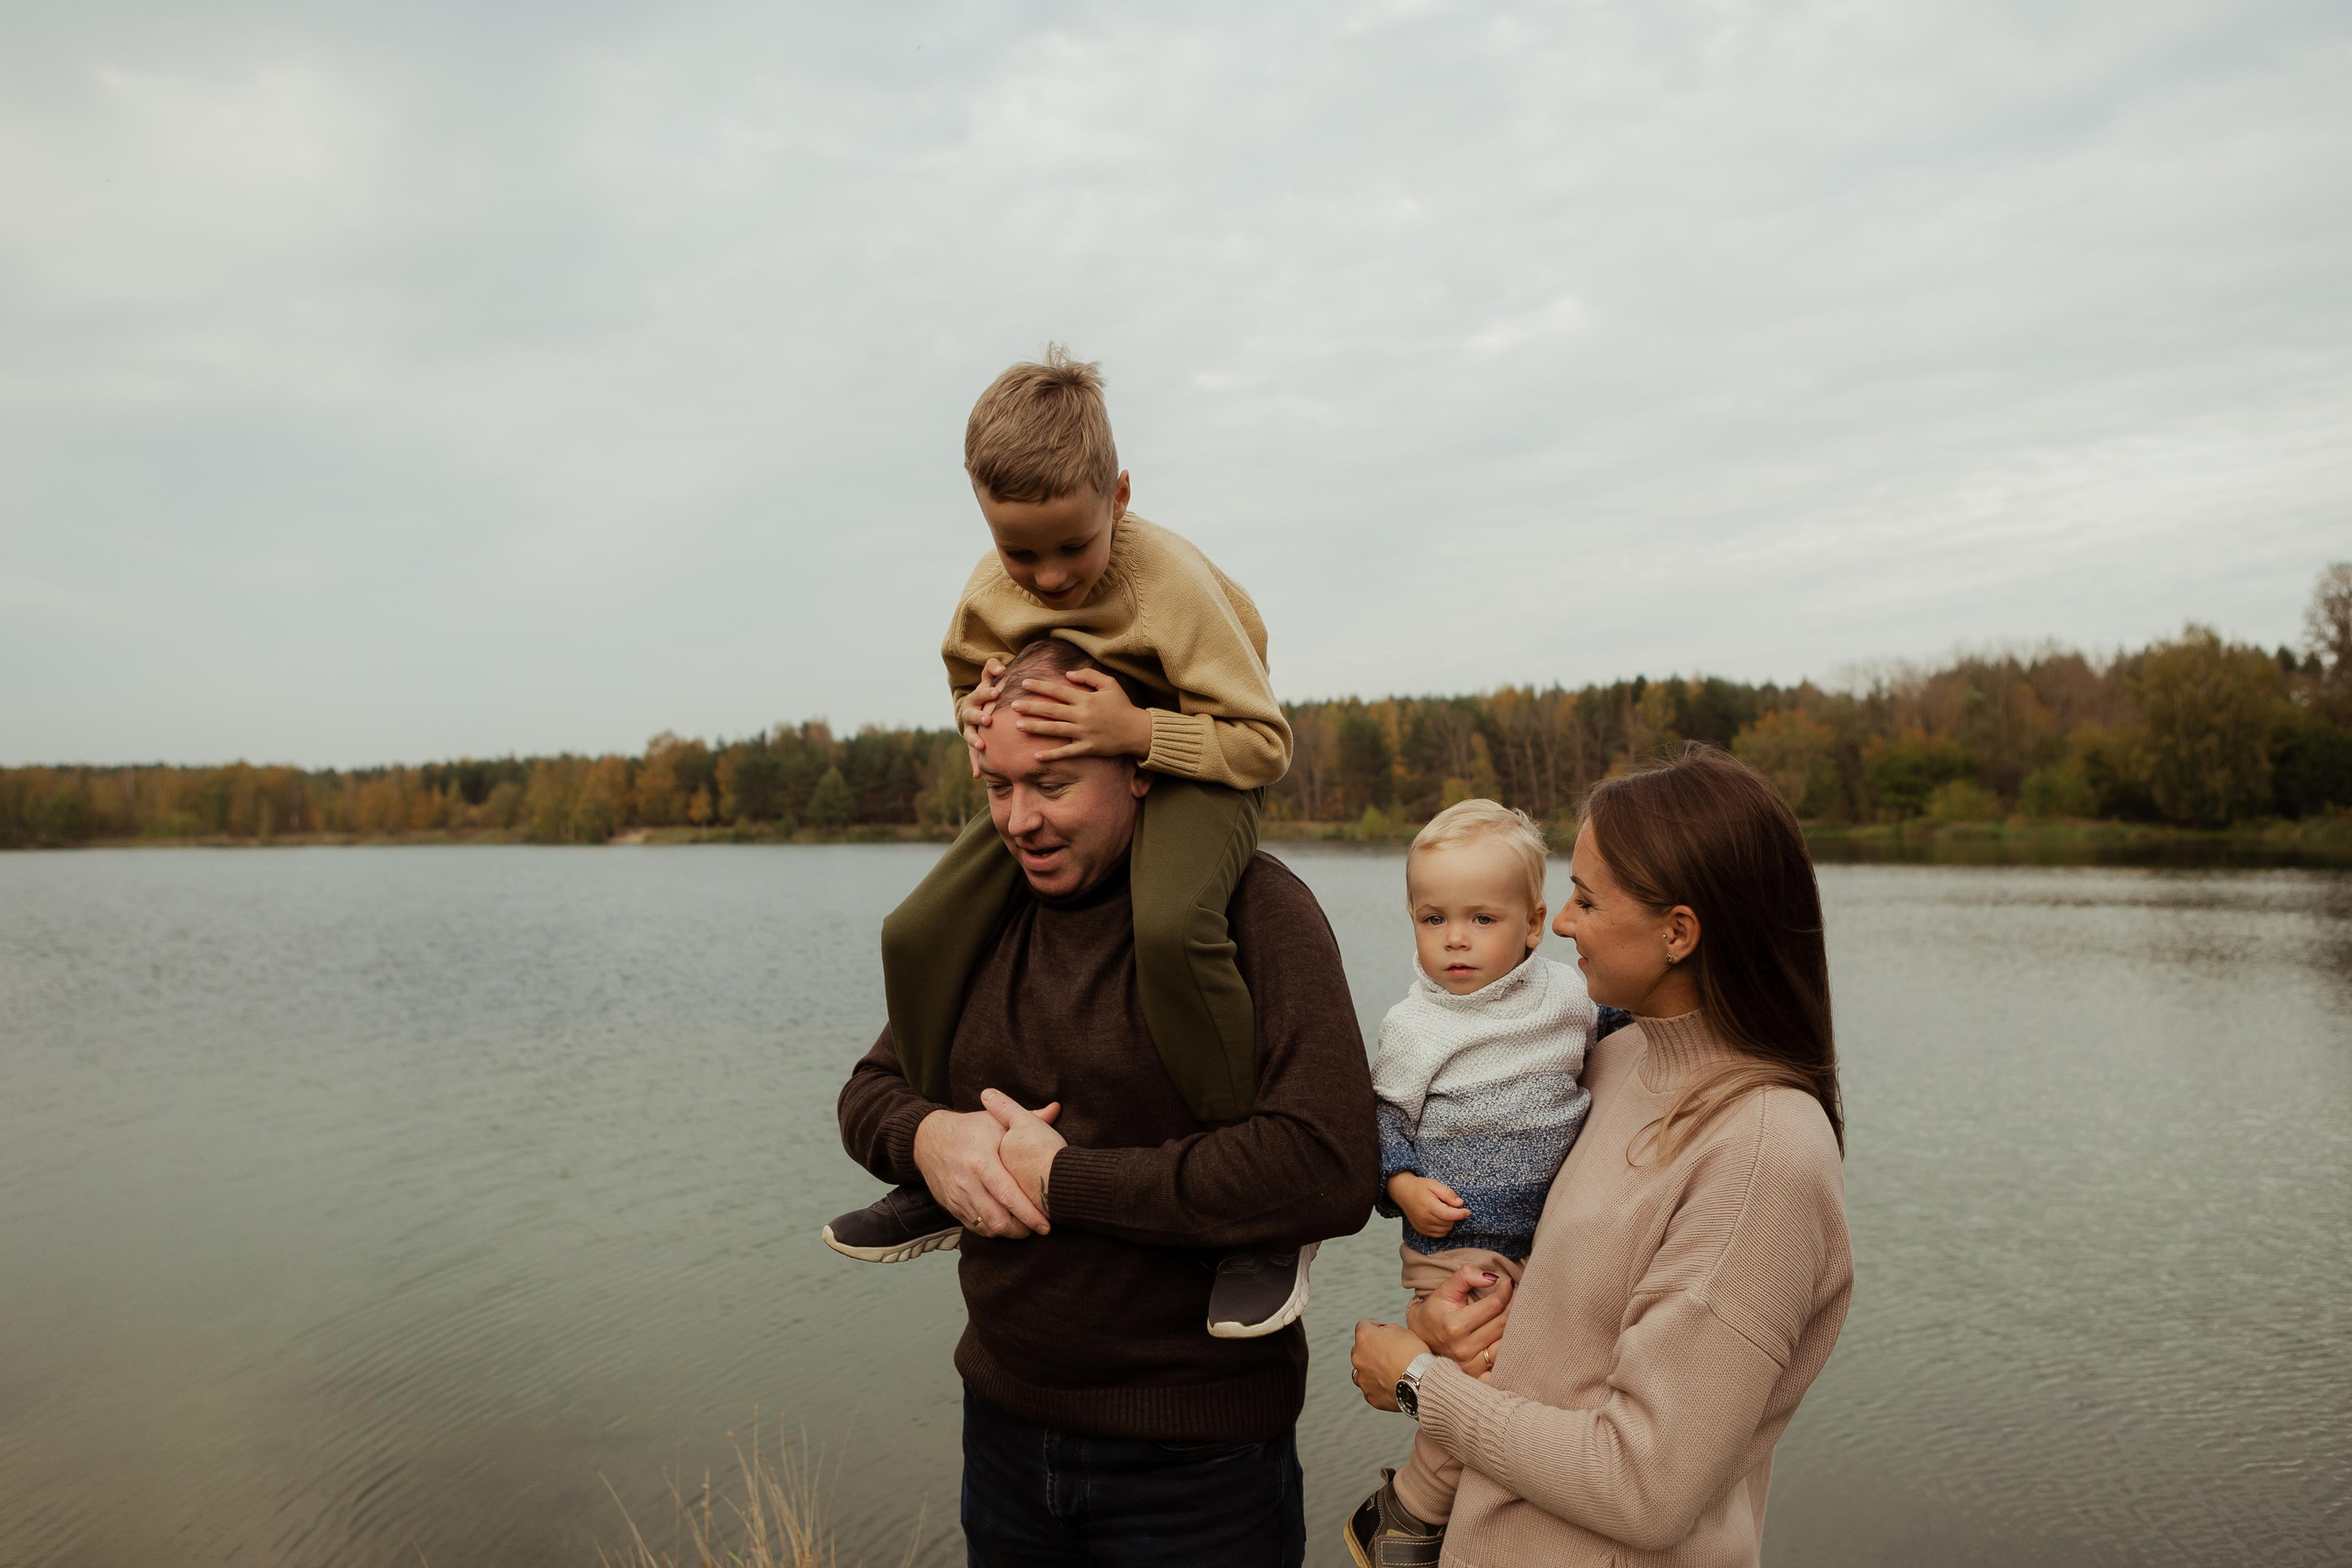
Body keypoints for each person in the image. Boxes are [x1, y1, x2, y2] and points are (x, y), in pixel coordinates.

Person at [836, 636, 1379, 1568]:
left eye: (1051, 784)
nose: (1019, 821)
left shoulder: (1254, 912)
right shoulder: (983, 922)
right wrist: (930, 1139)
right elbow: (871, 1090)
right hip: (1003, 1436)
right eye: (998, 787)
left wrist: (1066, 1181)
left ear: (1138, 767)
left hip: (1198, 1468)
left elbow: (1326, 1167)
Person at [823, 346, 1313, 1336]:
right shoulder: (986, 589)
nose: (1046, 578)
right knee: (915, 931)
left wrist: (1138, 732)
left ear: (1119, 496)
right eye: (1020, 554)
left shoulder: (1168, 583)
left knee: (1171, 925)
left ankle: (1259, 1224)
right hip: (1071, 773)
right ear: (982, 517)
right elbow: (972, 678)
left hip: (1194, 762)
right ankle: (938, 1164)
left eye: (1072, 550)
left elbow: (1264, 744)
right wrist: (978, 723)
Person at [1347, 744, 1852, 1568]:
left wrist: (1419, 1387)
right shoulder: (1613, 1061)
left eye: (1583, 897)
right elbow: (1557, 1319)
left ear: (1678, 931)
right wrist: (1445, 1330)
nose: (1564, 923)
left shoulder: (1765, 1156)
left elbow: (1644, 1486)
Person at [1359, 798, 1630, 1562]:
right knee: (1487, 1373)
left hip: (1545, 1236)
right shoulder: (1415, 1026)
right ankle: (1417, 1513)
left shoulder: (1570, 997)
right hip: (1459, 1237)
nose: (1454, 939)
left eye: (1481, 919)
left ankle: (1421, 1509)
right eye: (1432, 917)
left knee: (1525, 1380)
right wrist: (1403, 1185)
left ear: (1534, 924)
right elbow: (1381, 1120)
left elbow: (1634, 1026)